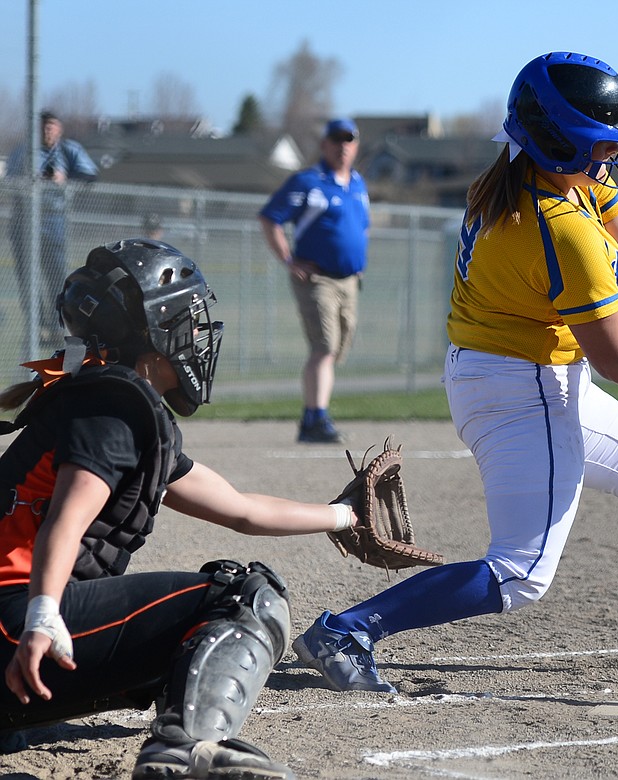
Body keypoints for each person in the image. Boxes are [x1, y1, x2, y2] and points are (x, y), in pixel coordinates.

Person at [291, 51, 618, 694]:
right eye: (602, 144)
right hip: (521, 389)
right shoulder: (561, 227)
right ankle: (347, 629)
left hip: (516, 375)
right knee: (521, 572)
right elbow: (616, 359)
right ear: (561, 142)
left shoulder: (534, 171)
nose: (612, 157)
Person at [0, 239, 366, 779]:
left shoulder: (106, 399)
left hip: (15, 642)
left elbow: (242, 510)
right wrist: (42, 616)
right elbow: (67, 520)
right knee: (244, 596)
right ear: (157, 329)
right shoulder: (118, 406)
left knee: (191, 640)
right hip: (18, 627)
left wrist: (343, 516)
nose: (198, 337)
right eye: (190, 323)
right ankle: (184, 749)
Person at [258, 118, 369, 444]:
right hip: (317, 278)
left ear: (356, 146)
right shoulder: (308, 182)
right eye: (336, 139)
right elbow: (270, 218)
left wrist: (358, 263)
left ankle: (315, 416)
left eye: (349, 140)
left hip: (349, 280)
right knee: (324, 347)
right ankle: (314, 418)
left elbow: (361, 228)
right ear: (324, 145)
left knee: (337, 349)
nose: (342, 146)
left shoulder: (358, 184)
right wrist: (289, 260)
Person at [4, 111, 99, 344]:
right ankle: (37, 327)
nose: (47, 131)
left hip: (53, 219)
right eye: (43, 127)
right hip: (25, 220)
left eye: (52, 127)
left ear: (59, 129)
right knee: (27, 277)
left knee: (56, 275)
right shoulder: (24, 151)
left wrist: (64, 178)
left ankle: (57, 326)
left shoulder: (68, 150)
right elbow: (10, 180)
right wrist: (31, 180)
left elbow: (91, 175)